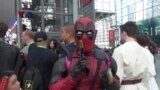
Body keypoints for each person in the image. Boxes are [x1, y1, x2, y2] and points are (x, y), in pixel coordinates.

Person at [49, 17, 118, 90]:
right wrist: (72, 76)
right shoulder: (65, 62)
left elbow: (115, 79)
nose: (84, 37)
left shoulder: (106, 59)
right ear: (74, 35)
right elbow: (53, 87)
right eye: (79, 33)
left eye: (89, 33)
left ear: (95, 34)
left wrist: (114, 85)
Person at [112, 21, 150, 90]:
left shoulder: (119, 50)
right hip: (141, 87)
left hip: (125, 87)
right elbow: (146, 76)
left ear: (124, 33)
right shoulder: (144, 51)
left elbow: (116, 76)